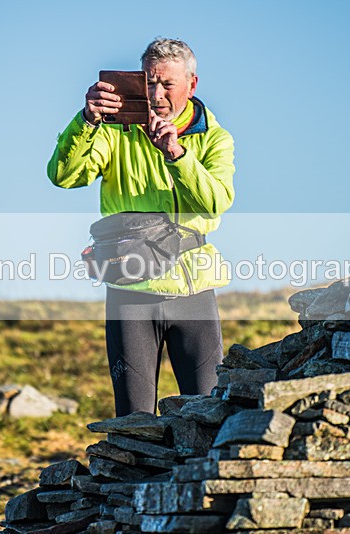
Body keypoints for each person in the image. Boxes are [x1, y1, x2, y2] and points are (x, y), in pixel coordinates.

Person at [47, 38, 235, 416]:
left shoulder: (215, 138)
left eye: (168, 84)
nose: (157, 92)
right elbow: (63, 176)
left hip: (194, 290)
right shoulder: (114, 132)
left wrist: (176, 155)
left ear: (191, 85)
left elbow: (217, 201)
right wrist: (87, 120)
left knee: (206, 415)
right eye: (149, 82)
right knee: (134, 419)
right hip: (128, 289)